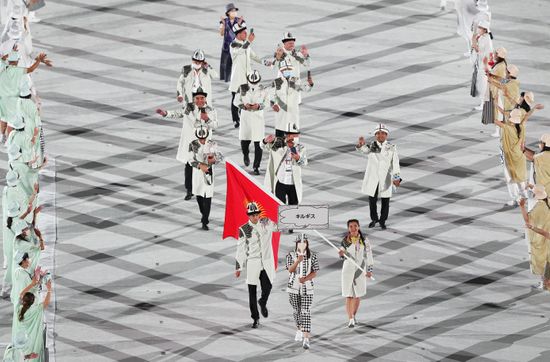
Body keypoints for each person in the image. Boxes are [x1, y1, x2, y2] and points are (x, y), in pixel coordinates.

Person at [156, 87, 218, 201]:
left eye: (202, 98)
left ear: (205, 98)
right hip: (191, 143)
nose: (200, 100)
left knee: (205, 166)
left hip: (205, 144)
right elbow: (178, 114)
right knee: (190, 166)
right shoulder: (188, 108)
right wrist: (165, 113)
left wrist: (207, 119)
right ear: (194, 99)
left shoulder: (211, 110)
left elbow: (215, 125)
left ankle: (205, 188)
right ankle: (189, 190)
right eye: (197, 98)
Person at [235, 202, 278, 328]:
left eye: (256, 214)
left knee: (268, 286)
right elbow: (241, 249)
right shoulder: (244, 229)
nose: (255, 217)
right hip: (253, 262)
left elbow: (279, 228)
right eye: (252, 215)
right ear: (248, 215)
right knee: (252, 292)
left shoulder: (266, 223)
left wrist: (289, 217)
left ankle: (263, 302)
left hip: (266, 261)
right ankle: (255, 318)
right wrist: (239, 267)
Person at [494, 106, 544, 205]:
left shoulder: (507, 127)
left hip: (509, 157)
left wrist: (492, 105)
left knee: (510, 178)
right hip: (520, 156)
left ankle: (516, 198)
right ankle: (525, 196)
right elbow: (526, 117)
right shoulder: (521, 126)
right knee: (521, 178)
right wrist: (533, 109)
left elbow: (494, 120)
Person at [0, 49, 51, 144]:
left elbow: (1, 59)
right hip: (13, 100)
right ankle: (9, 141)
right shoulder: (18, 71)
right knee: (12, 122)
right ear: (17, 61)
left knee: (3, 118)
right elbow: (31, 69)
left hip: (2, 99)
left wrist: (9, 54)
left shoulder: (3, 67)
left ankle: (1, 136)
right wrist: (39, 60)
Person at [356, 124, 401, 229]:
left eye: (383, 133)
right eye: (378, 133)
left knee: (385, 200)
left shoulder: (391, 147)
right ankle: (374, 219)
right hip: (373, 177)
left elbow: (395, 163)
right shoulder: (372, 146)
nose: (380, 135)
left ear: (386, 135)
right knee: (372, 200)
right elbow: (364, 150)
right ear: (375, 135)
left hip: (385, 177)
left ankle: (382, 220)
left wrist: (396, 177)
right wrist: (361, 145)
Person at [228, 19, 268, 128]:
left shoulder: (246, 44)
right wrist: (249, 41)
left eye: (246, 32)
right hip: (238, 77)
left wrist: (265, 62)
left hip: (247, 77)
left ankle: (245, 117)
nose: (246, 34)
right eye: (244, 32)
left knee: (247, 97)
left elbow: (254, 56)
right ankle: (235, 120)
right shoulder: (234, 44)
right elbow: (240, 50)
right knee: (236, 98)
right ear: (238, 34)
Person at [338, 219, 374, 328]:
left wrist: (369, 270)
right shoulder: (345, 240)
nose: (353, 228)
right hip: (348, 270)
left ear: (358, 227)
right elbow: (341, 254)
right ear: (348, 228)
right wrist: (341, 253)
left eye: (355, 226)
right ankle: (351, 319)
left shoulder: (364, 240)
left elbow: (369, 255)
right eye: (350, 226)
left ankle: (354, 315)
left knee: (357, 295)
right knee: (348, 295)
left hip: (360, 270)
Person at [286, 234, 319, 350]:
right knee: (296, 310)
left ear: (307, 243)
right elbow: (290, 270)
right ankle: (299, 328)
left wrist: (305, 279)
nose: (302, 244)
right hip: (293, 287)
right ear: (296, 243)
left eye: (304, 241)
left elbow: (315, 272)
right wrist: (297, 261)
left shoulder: (313, 256)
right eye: (300, 242)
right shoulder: (290, 255)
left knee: (306, 311)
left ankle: (306, 338)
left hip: (307, 288)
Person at [187, 126, 223, 231]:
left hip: (209, 172)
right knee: (199, 196)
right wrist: (199, 165)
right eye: (200, 138)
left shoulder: (212, 144)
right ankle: (204, 214)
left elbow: (220, 156)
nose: (202, 140)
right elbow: (190, 160)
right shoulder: (193, 144)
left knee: (207, 196)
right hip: (198, 173)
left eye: (204, 138)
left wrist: (214, 159)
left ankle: (204, 220)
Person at [263, 125, 308, 209]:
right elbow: (263, 147)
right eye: (293, 134)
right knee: (279, 206)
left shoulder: (300, 148)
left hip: (293, 183)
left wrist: (297, 157)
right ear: (287, 135)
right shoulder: (279, 144)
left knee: (294, 206)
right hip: (280, 182)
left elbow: (304, 163)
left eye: (296, 135)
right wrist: (265, 141)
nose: (295, 137)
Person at [234, 70, 267, 175]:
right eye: (251, 82)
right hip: (246, 117)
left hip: (258, 118)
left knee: (259, 144)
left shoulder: (263, 89)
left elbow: (267, 101)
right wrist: (244, 106)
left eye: (255, 82)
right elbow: (235, 101)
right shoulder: (242, 88)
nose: (253, 84)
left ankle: (256, 166)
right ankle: (246, 154)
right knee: (245, 141)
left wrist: (259, 106)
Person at [270, 60, 313, 137]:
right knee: (280, 137)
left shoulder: (295, 80)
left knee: (293, 138)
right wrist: (273, 105)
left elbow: (305, 89)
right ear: (281, 70)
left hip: (293, 111)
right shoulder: (276, 82)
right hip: (281, 111)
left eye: (289, 69)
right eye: (285, 69)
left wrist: (310, 84)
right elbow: (272, 95)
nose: (287, 71)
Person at [519, 186, 550, 290]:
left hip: (540, 238)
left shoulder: (538, 207)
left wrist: (522, 206)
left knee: (542, 262)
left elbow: (527, 220)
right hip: (547, 239)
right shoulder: (547, 203)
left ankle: (544, 283)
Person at [13, 279, 52, 362]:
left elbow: (21, 294)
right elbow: (46, 303)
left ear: (23, 300)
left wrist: (32, 284)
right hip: (33, 340)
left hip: (22, 339)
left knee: (22, 357)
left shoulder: (18, 309)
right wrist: (49, 289)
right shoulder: (36, 310)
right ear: (33, 301)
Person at [482, 47, 507, 137]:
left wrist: (485, 65)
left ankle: (498, 130)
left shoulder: (500, 66)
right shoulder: (501, 64)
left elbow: (491, 76)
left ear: (500, 56)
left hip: (496, 91)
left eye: (496, 53)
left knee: (497, 111)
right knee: (496, 111)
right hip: (496, 90)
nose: (494, 55)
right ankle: (498, 130)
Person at [471, 20, 492, 110]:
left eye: (480, 27)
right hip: (479, 63)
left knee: (483, 85)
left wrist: (486, 65)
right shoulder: (481, 37)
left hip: (484, 65)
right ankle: (482, 102)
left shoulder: (486, 39)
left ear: (485, 30)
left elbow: (488, 53)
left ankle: (483, 103)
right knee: (480, 84)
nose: (478, 29)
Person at [218, 3, 241, 82]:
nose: (234, 12)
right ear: (228, 13)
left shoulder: (239, 21)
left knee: (236, 62)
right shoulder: (223, 21)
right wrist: (224, 25)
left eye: (235, 11)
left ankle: (236, 78)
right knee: (225, 63)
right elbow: (221, 33)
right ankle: (226, 78)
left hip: (237, 45)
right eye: (232, 11)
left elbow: (242, 33)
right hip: (226, 45)